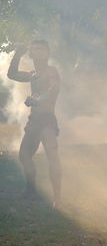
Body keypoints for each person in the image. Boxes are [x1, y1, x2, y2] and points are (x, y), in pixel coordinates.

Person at [7, 40, 62, 208]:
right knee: (24, 155)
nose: (37, 52)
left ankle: (57, 198)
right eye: (35, 49)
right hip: (35, 121)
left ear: (47, 53)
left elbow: (53, 90)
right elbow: (12, 74)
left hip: (47, 120)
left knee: (52, 156)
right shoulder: (33, 74)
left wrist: (37, 101)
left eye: (41, 49)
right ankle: (31, 191)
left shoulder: (51, 72)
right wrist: (17, 54)